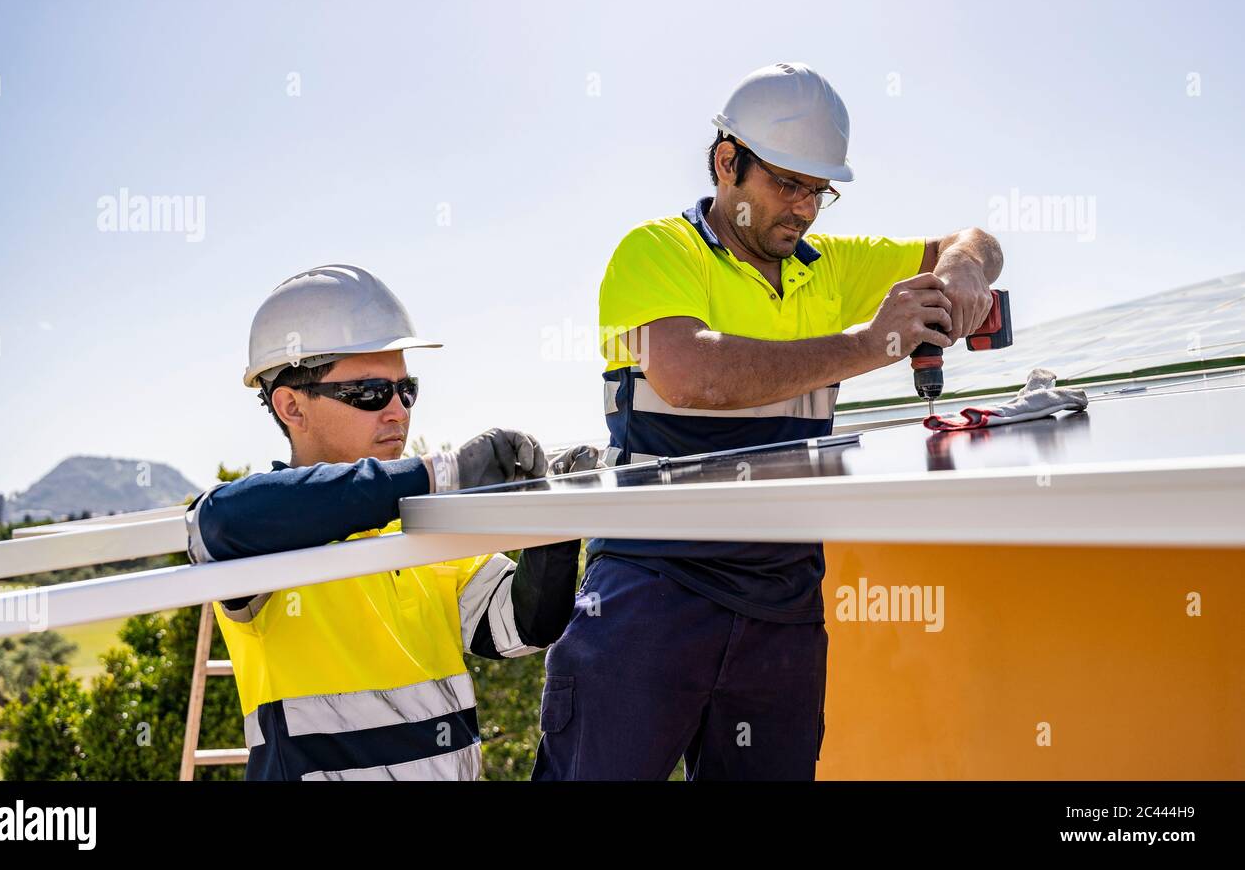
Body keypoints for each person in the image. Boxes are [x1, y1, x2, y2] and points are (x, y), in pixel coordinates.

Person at [533, 62, 1004, 780]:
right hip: (653, 591)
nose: (805, 210)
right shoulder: (657, 253)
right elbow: (691, 375)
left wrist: (966, 268)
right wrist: (868, 344)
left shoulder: (828, 267)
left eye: (819, 191)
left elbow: (974, 240)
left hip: (781, 603)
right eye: (787, 184)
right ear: (728, 163)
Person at [185, 263, 589, 780]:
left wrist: (555, 520)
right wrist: (445, 472)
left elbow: (526, 627)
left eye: (407, 389)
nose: (398, 411)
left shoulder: (425, 524)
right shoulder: (263, 529)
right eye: (371, 393)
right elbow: (215, 525)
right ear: (291, 406)